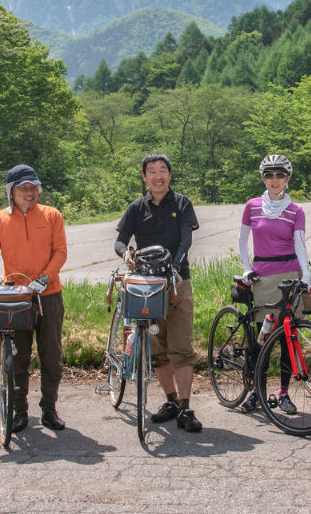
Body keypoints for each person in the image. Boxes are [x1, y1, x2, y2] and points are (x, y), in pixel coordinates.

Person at [0, 164, 68, 433]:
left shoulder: (51, 215)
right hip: (15, 296)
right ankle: (18, 410)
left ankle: (49, 409)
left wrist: (44, 278)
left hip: (48, 294)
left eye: (33, 187)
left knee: (51, 355)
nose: (30, 193)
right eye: (23, 188)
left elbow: (60, 252)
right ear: (10, 192)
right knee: (17, 357)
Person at [114, 153, 202, 433]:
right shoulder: (136, 208)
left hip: (177, 282)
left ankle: (186, 407)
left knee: (182, 348)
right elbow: (120, 241)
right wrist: (126, 254)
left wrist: (174, 267)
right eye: (151, 171)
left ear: (169, 175)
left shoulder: (182, 204)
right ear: (144, 177)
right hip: (146, 286)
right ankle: (171, 400)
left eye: (163, 170)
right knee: (158, 348)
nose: (158, 176)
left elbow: (186, 239)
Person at [237, 154, 311, 415]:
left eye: (280, 175)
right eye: (269, 175)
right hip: (263, 276)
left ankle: (283, 392)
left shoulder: (296, 210)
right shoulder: (252, 206)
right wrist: (246, 269)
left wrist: (306, 275)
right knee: (262, 340)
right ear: (263, 178)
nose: (274, 180)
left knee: (286, 339)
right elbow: (242, 241)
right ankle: (256, 392)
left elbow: (300, 244)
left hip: (289, 275)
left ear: (288, 178)